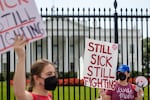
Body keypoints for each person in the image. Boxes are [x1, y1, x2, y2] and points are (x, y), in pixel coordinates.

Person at [13, 35, 58, 100]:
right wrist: (21, 57)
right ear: (36, 78)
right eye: (49, 74)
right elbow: (19, 93)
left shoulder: (49, 96)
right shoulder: (31, 98)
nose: (53, 77)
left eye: (54, 73)